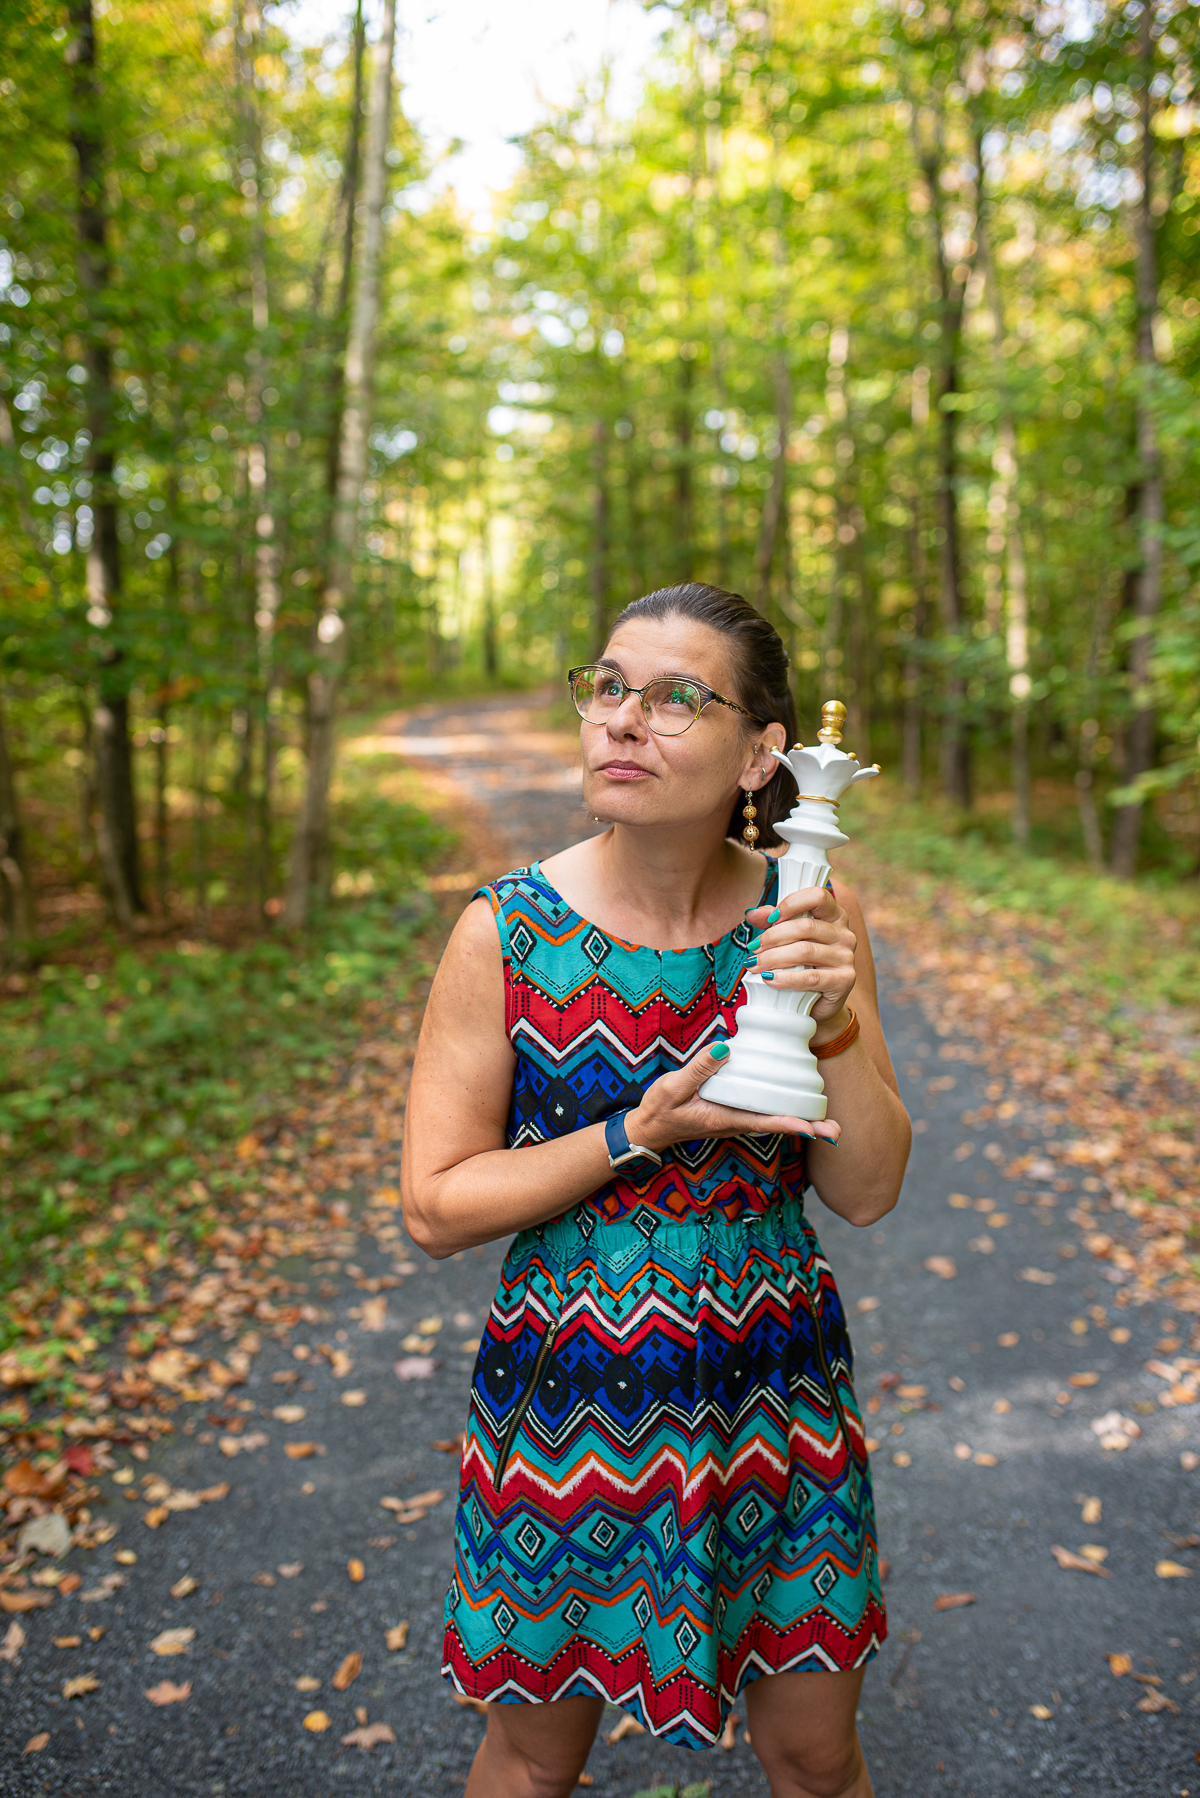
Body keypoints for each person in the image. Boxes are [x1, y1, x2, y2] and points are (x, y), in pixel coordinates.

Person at [401, 582, 911, 1798]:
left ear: (761, 752)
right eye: (611, 685)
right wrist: (637, 1128)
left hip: (773, 1387)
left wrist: (834, 1023)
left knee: (815, 1752)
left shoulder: (811, 916)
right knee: (534, 1754)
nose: (625, 719)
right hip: (570, 1402)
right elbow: (436, 1204)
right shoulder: (507, 934)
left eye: (680, 697)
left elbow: (872, 1186)